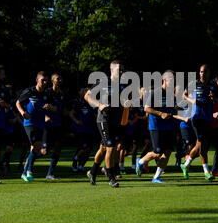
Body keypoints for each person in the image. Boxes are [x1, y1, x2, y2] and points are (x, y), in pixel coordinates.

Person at [136, 71, 189, 183]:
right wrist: (160, 114)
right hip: (156, 127)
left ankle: (156, 177)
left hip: (168, 127)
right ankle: (140, 162)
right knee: (157, 152)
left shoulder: (171, 95)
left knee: (168, 152)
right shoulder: (155, 93)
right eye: (172, 81)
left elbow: (172, 111)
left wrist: (183, 115)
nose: (174, 83)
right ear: (165, 80)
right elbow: (146, 108)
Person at [85, 60, 126, 188]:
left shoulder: (122, 85)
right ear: (111, 70)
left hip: (115, 121)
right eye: (119, 69)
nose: (122, 72)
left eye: (123, 69)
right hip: (103, 119)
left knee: (103, 149)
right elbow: (87, 96)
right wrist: (99, 105)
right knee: (110, 147)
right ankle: (111, 176)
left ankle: (92, 171)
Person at [16, 71, 57, 182]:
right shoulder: (29, 91)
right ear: (37, 80)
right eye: (42, 80)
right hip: (29, 123)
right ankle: (29, 170)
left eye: (46, 80)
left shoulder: (47, 94)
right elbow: (18, 103)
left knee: (36, 148)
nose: (44, 82)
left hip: (40, 124)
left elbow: (55, 108)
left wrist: (50, 107)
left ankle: (24, 173)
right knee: (37, 145)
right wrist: (23, 113)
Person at [180, 64, 218, 181]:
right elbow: (184, 95)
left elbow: (217, 99)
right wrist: (193, 101)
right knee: (202, 145)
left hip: (207, 117)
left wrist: (213, 98)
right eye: (201, 72)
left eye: (205, 72)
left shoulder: (213, 85)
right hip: (196, 117)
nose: (202, 74)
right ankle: (206, 172)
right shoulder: (193, 83)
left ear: (208, 73)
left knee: (201, 144)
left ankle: (185, 165)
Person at [42, 73, 68, 180]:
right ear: (52, 80)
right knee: (44, 151)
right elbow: (40, 106)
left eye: (61, 78)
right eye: (58, 78)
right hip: (47, 125)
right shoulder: (47, 92)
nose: (60, 80)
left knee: (58, 148)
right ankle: (30, 160)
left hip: (58, 124)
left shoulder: (62, 94)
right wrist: (45, 116)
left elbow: (64, 109)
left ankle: (50, 173)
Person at [70, 87, 96, 172]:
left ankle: (81, 166)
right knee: (83, 147)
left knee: (89, 149)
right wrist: (77, 121)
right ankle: (75, 160)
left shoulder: (93, 104)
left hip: (90, 130)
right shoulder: (80, 104)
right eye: (89, 94)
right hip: (81, 130)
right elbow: (71, 114)